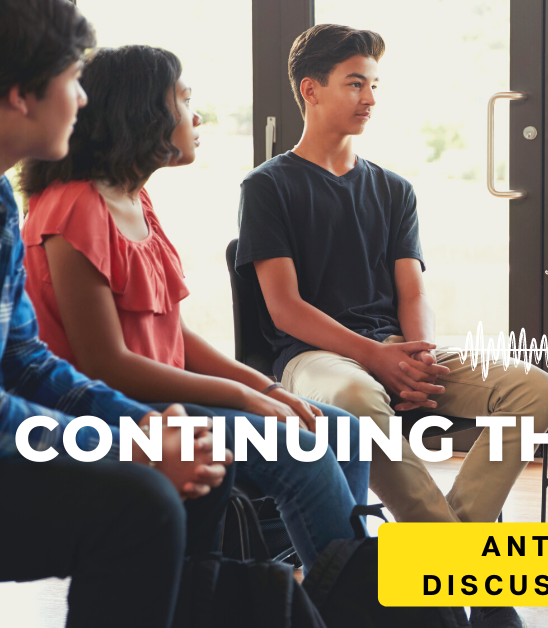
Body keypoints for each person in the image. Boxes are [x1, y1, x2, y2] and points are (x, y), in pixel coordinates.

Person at [235, 23, 548, 628]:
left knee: (531, 387)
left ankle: (439, 561)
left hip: (391, 347)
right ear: (311, 89)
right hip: (313, 359)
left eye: (375, 85)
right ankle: (471, 574)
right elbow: (284, 309)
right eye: (355, 83)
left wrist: (418, 355)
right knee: (357, 393)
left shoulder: (393, 189)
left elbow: (412, 289)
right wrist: (376, 359)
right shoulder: (267, 187)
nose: (370, 99)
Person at [17, 44, 366, 571]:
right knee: (303, 450)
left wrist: (266, 388)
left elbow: (172, 335)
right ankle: (353, 597)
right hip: (123, 411)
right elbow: (105, 365)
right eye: (183, 99)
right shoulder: (73, 208)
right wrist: (246, 398)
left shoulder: (135, 199)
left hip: (164, 397)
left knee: (346, 431)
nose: (196, 115)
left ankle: (320, 582)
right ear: (139, 113)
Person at [0, 2, 229, 626]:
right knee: (144, 504)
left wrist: (148, 427)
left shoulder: (0, 199)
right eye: (74, 80)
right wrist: (129, 442)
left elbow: (21, 358)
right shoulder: (70, 207)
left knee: (202, 460)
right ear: (22, 94)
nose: (82, 99)